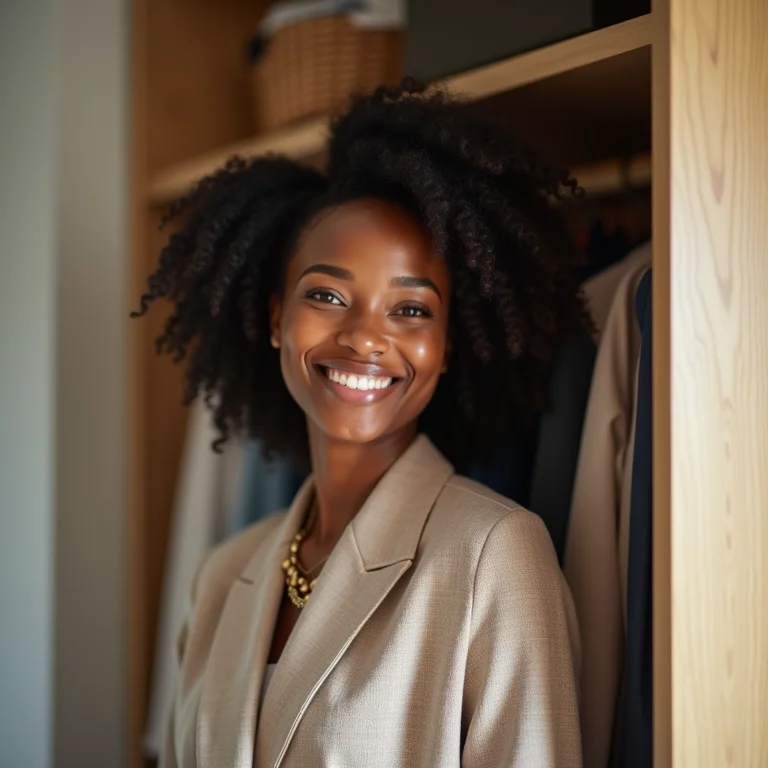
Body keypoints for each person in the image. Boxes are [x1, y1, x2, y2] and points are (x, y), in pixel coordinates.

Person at [135, 80, 587, 768]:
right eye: (327, 295)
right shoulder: (223, 576)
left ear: (448, 344)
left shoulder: (495, 555)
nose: (365, 338)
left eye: (411, 310)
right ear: (274, 316)